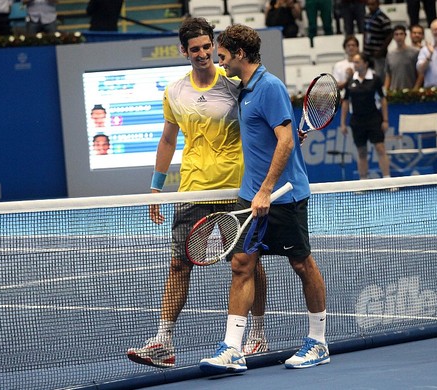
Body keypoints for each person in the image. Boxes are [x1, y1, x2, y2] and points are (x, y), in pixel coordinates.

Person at [126, 17, 270, 369]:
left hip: (235, 187)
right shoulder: (175, 91)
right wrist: (155, 189)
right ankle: (164, 342)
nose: (203, 53)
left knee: (247, 264)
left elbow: (261, 121)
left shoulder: (235, 83)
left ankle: (258, 335)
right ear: (184, 52)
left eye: (207, 47)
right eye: (196, 49)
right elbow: (167, 139)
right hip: (192, 187)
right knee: (178, 264)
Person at [199, 23, 329, 374]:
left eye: (222, 55)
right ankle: (232, 348)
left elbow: (285, 141)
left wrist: (267, 190)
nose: (219, 61)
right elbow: (278, 138)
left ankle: (318, 341)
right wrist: (256, 191)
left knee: (302, 264)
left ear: (240, 54)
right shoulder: (245, 89)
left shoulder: (269, 87)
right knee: (243, 265)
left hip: (282, 197)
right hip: (251, 194)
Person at [340, 53, 391, 181]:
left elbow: (383, 100)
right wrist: (343, 123)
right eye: (354, 62)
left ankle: (388, 180)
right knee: (361, 152)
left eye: (357, 62)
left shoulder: (375, 79)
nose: (355, 65)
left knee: (380, 148)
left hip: (374, 118)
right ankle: (363, 181)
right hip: (357, 121)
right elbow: (345, 102)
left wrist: (385, 120)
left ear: (365, 63)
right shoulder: (350, 81)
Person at [362, 0, 392, 81]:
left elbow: (389, 36)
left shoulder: (384, 19)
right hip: (367, 53)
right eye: (368, 4)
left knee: (379, 77)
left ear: (378, 4)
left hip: (379, 55)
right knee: (367, 77)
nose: (370, 6)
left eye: (373, 4)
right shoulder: (366, 17)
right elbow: (365, 33)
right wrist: (364, 48)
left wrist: (381, 51)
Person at [384, 25, 419, 90]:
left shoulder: (415, 52)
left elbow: (420, 74)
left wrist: (416, 89)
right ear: (393, 37)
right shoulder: (390, 54)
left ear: (405, 35)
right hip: (394, 93)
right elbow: (388, 75)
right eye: (396, 34)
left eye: (401, 34)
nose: (399, 37)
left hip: (411, 92)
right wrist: (385, 91)